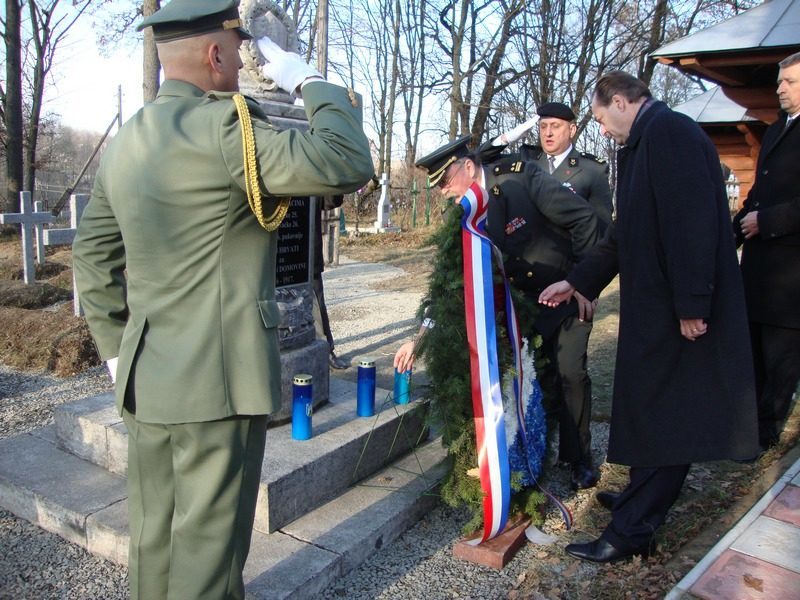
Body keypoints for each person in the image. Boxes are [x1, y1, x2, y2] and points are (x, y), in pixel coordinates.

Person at [72, 1, 373, 597]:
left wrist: (117, 353)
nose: (241, 62)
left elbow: (93, 258)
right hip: (218, 383)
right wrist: (307, 79)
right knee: (209, 564)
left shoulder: (126, 140)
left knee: (155, 545)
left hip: (146, 377)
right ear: (214, 55)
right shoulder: (225, 129)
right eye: (237, 51)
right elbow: (346, 160)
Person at [539, 71, 758, 563]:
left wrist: (692, 305)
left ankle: (632, 531)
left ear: (621, 101)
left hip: (676, 310)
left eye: (600, 118)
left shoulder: (670, 134)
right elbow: (623, 234)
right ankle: (638, 496)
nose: (602, 129)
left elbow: (694, 225)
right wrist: (577, 282)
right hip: (656, 309)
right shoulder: (643, 143)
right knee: (649, 407)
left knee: (667, 416)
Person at [413, 135, 602, 490]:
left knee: (570, 373)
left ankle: (580, 459)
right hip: (525, 306)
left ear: (468, 168)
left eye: (444, 182)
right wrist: (421, 336)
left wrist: (583, 283)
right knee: (537, 379)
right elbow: (452, 278)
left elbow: (584, 219)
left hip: (566, 291)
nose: (442, 192)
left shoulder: (520, 179)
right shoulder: (466, 210)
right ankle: (536, 460)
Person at [732, 51, 800, 452]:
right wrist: (733, 233)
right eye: (779, 81)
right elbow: (759, 191)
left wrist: (768, 221)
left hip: (791, 272)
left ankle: (765, 431)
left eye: (789, 82)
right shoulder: (776, 130)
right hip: (758, 268)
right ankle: (746, 424)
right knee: (753, 351)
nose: (779, 88)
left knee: (781, 358)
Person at [313, 195, 349, 369]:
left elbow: (330, 201)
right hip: (277, 257)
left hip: (308, 255)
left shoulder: (310, 180)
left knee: (317, 304)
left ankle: (327, 351)